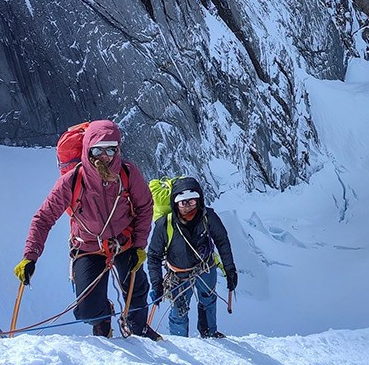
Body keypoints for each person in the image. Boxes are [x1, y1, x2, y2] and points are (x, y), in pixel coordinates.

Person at [14, 119, 161, 339]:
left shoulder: (128, 174)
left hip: (124, 241)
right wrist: (30, 256)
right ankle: (101, 318)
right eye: (98, 150)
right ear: (87, 149)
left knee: (136, 289)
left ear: (118, 149)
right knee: (87, 310)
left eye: (111, 149)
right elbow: (43, 218)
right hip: (88, 245)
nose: (105, 156)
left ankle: (138, 327)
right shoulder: (72, 180)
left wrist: (139, 246)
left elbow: (144, 206)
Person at [146, 176, 238, 338]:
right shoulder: (165, 224)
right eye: (183, 202)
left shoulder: (208, 217)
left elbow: (222, 241)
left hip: (202, 268)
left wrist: (230, 270)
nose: (188, 207)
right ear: (175, 203)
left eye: (192, 201)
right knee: (180, 309)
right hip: (181, 273)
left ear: (199, 201)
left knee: (207, 301)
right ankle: (183, 342)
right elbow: (154, 255)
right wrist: (156, 284)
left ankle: (209, 333)